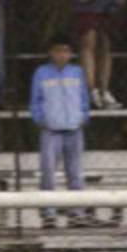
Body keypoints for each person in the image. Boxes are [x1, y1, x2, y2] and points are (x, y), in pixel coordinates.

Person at [30, 35, 90, 229]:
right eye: (58, 51)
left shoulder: (77, 72)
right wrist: (40, 119)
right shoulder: (41, 73)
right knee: (48, 171)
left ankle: (77, 212)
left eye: (65, 51)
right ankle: (48, 213)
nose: (62, 55)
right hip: (51, 130)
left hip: (74, 129)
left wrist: (83, 116)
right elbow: (35, 99)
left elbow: (83, 97)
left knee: (75, 172)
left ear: (71, 53)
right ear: (50, 52)